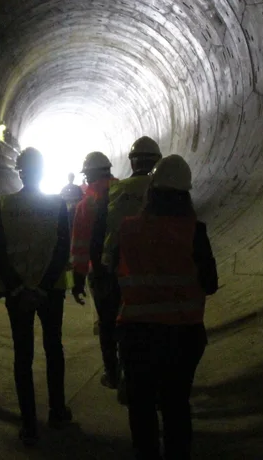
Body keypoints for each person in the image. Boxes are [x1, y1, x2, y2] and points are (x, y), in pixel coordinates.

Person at [109, 155, 218, 460]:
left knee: (141, 409)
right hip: (184, 336)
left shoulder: (128, 229)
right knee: (176, 407)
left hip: (137, 334)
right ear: (186, 194)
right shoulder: (195, 232)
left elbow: (112, 273)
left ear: (151, 192)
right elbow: (210, 283)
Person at [0, 147, 73, 446]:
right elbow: (63, 250)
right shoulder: (57, 205)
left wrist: (18, 288)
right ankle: (57, 411)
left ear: (19, 172)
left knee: (23, 356)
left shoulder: (4, 205)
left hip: (17, 295)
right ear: (42, 171)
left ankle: (28, 425)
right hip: (50, 292)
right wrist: (42, 287)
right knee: (53, 349)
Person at [95, 136, 163, 400]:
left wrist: (100, 270)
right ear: (158, 161)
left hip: (121, 269)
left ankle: (122, 380)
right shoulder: (168, 191)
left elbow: (100, 234)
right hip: (158, 270)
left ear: (132, 161)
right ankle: (157, 386)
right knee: (155, 328)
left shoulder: (115, 190)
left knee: (123, 328)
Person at [69, 150, 117, 385]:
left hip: (100, 272)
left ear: (88, 176)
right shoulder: (126, 193)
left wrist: (77, 282)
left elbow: (79, 247)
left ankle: (113, 373)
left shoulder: (86, 204)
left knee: (107, 324)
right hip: (132, 270)